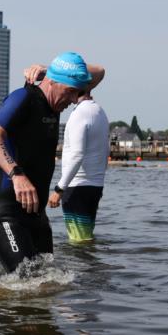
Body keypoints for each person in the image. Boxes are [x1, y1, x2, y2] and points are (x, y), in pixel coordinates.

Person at [0, 52, 104, 274]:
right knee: (27, 281)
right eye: (69, 92)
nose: (73, 100)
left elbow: (100, 72)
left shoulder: (56, 103)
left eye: (77, 93)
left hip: (37, 218)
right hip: (6, 215)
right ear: (53, 83)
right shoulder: (23, 98)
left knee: (47, 283)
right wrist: (16, 174)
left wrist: (49, 69)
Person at [46, 81, 110, 244]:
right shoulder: (100, 111)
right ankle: (91, 268)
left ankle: (82, 269)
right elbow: (106, 150)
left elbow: (77, 154)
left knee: (78, 242)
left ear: (73, 89)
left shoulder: (79, 114)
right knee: (86, 237)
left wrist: (59, 189)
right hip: (95, 185)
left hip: (77, 187)